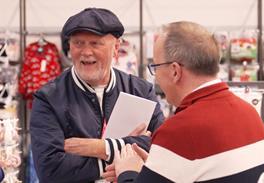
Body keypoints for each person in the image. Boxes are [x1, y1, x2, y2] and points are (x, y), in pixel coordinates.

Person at [111, 21, 264, 183]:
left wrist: (127, 172)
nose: (156, 76)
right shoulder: (251, 113)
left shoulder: (178, 131)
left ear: (175, 71)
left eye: (156, 67)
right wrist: (156, 168)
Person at [30, 7, 164, 183]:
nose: (86, 52)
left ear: (116, 48)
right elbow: (51, 170)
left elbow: (162, 148)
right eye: (78, 43)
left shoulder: (140, 91)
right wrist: (124, 158)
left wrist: (101, 147)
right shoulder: (49, 98)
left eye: (95, 43)